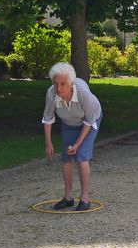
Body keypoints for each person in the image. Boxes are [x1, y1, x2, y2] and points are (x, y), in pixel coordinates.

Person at [41, 62, 103, 211]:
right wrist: (48, 143)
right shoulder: (51, 93)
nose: (59, 88)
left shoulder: (83, 94)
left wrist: (78, 144)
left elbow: (89, 121)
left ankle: (85, 198)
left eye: (63, 84)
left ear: (71, 83)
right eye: (56, 83)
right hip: (69, 122)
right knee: (67, 157)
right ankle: (68, 197)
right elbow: (48, 118)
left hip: (89, 121)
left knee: (81, 155)